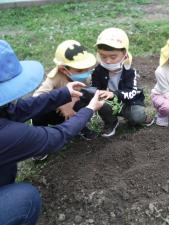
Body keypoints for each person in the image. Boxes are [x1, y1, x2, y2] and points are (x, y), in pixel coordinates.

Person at [0, 40, 105, 225]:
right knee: (26, 197)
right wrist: (89, 110)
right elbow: (56, 137)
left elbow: (17, 111)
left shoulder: (4, 114)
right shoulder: (8, 135)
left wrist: (64, 93)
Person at [92, 27, 153, 137]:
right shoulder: (98, 71)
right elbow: (95, 88)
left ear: (124, 54)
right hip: (110, 103)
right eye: (103, 56)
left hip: (129, 103)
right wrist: (96, 94)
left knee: (137, 116)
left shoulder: (130, 72)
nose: (107, 60)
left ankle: (140, 118)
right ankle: (111, 122)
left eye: (113, 56)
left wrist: (113, 94)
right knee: (101, 105)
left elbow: (131, 92)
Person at [32, 40, 97, 142]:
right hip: (55, 113)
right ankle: (40, 140)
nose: (85, 73)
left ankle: (80, 127)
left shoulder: (86, 75)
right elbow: (36, 98)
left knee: (89, 96)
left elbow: (89, 89)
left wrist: (71, 102)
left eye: (86, 68)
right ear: (63, 69)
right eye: (80, 70)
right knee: (37, 112)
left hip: (73, 107)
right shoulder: (54, 78)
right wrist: (60, 104)